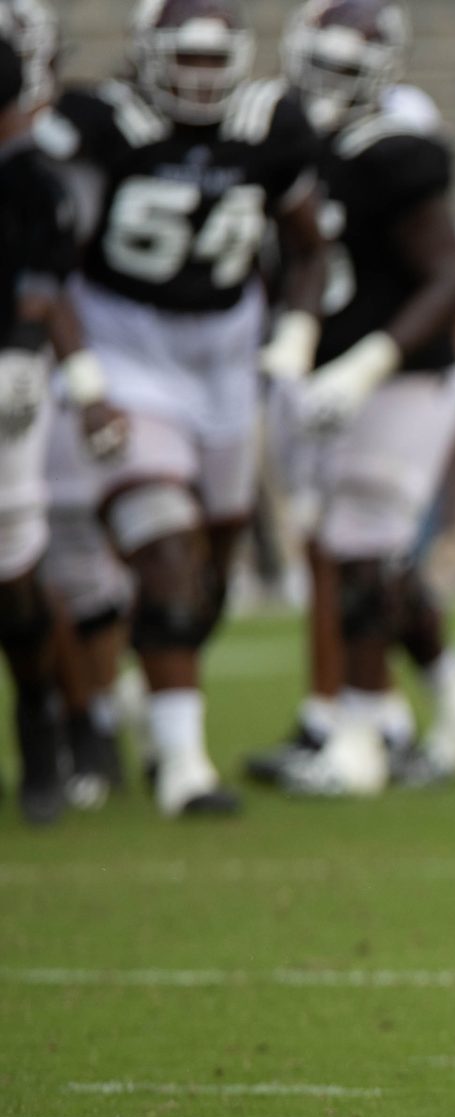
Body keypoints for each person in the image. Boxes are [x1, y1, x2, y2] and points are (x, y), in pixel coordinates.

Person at [34, 0, 328, 817]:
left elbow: (308, 246)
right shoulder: (101, 126)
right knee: (162, 551)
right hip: (124, 349)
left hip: (225, 362)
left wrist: (295, 334)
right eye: (183, 60)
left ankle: (121, 700)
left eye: (213, 61)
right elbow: (42, 255)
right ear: (146, 56)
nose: (199, 79)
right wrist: (87, 384)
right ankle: (184, 767)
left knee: (205, 578)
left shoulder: (272, 125)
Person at [245, 0, 455, 797]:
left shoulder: (397, 147)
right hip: (329, 374)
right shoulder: (279, 131)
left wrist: (362, 366)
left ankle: (359, 733)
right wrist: (295, 345)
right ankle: (452, 700)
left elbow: (451, 275)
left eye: (350, 70)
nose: (331, 86)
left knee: (360, 552)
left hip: (404, 373)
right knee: (364, 555)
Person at [0, 7, 79, 825]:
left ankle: (42, 721)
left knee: (13, 571)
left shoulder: (29, 179)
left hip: (5, 379)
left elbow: (43, 275)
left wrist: (26, 351)